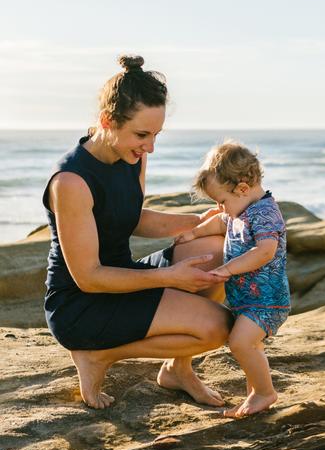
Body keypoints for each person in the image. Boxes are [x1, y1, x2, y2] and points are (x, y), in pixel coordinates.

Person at [43, 55, 233, 410]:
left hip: (126, 277)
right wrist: (169, 276)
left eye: (156, 135)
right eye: (142, 134)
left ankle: (179, 369)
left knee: (217, 248)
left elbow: (130, 217)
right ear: (107, 121)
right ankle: (98, 355)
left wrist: (199, 223)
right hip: (82, 304)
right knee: (219, 329)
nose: (150, 147)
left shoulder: (132, 157)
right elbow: (89, 278)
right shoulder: (70, 182)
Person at [175, 141, 291, 417]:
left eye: (222, 201)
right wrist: (194, 234)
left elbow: (265, 251)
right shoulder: (241, 209)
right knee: (250, 345)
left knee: (240, 343)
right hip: (247, 299)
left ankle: (265, 393)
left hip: (267, 301)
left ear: (242, 188)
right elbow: (219, 222)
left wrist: (227, 270)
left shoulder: (264, 213)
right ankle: (255, 394)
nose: (219, 207)